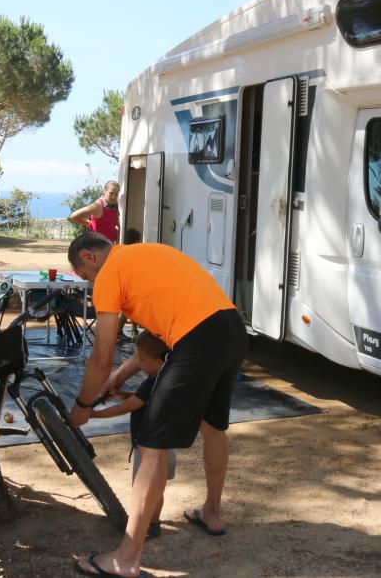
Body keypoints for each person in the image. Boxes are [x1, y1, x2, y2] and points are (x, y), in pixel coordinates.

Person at [67, 232, 247, 578]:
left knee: (152, 446)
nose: (91, 284)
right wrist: (120, 376)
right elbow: (158, 334)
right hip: (231, 329)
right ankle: (212, 512)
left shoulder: (108, 275)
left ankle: (126, 558)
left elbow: (101, 355)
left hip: (197, 340)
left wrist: (83, 404)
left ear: (89, 257)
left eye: (86, 277)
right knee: (214, 427)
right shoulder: (148, 253)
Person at [88, 331, 175, 541]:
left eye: (142, 360)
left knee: (143, 486)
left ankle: (148, 524)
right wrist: (122, 394)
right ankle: (153, 521)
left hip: (148, 445)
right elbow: (140, 399)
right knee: (158, 486)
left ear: (158, 360)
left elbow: (128, 407)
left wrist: (93, 414)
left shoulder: (151, 382)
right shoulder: (165, 377)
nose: (140, 364)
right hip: (166, 443)